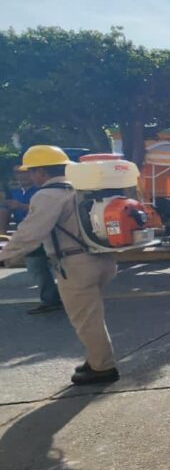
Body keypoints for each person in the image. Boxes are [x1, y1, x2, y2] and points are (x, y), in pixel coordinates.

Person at [0, 146, 119, 385]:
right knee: (92, 316)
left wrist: (5, 256)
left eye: (31, 171)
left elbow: (30, 233)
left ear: (41, 171)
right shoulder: (81, 188)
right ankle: (96, 358)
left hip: (75, 264)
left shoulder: (46, 195)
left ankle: (103, 368)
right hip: (103, 259)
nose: (30, 176)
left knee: (87, 320)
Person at [6, 167, 63, 314]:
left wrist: (20, 206)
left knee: (41, 267)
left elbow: (39, 211)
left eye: (25, 172)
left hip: (41, 234)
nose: (22, 175)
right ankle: (53, 299)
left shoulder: (42, 191)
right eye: (18, 172)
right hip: (30, 235)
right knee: (40, 268)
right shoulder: (16, 192)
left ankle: (53, 300)